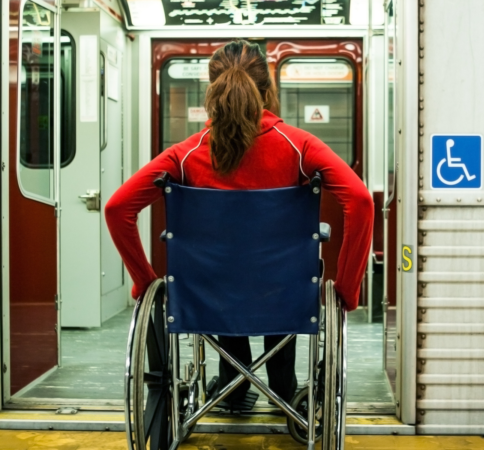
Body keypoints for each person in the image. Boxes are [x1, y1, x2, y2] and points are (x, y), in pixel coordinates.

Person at [105, 40, 374, 405]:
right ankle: (282, 386)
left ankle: (233, 384)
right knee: (284, 277)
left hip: (209, 297)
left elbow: (117, 209)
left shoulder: (184, 155)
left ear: (211, 91)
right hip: (286, 294)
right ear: (268, 90)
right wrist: (346, 289)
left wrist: (144, 280)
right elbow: (360, 201)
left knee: (219, 276)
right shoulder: (300, 146)